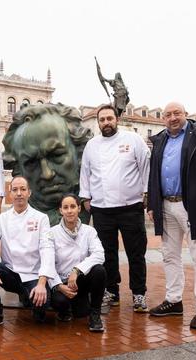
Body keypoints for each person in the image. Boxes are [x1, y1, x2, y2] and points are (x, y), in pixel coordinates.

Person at [147, 102, 196, 329]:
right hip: (166, 205)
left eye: (177, 113)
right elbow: (153, 175)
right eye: (168, 114)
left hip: (195, 205)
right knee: (169, 255)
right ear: (163, 118)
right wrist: (152, 204)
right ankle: (174, 301)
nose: (173, 118)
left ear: (185, 115)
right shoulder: (160, 140)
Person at [79, 104, 150, 314]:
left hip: (131, 207)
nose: (106, 123)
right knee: (107, 254)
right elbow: (85, 172)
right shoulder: (91, 145)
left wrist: (146, 193)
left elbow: (145, 165)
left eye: (109, 118)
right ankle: (112, 292)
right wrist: (85, 197)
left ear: (116, 119)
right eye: (102, 120)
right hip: (102, 209)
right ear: (98, 122)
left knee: (136, 253)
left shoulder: (133, 140)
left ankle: (139, 294)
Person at [0, 176, 57, 330]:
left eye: (23, 189)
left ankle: (29, 297)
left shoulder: (41, 218)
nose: (19, 193)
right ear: (10, 194)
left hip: (34, 276)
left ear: (29, 193)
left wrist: (42, 284)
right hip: (11, 275)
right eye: (15, 190)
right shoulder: (1, 219)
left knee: (42, 310)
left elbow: (47, 250)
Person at [3, 103, 93, 224]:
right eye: (31, 163)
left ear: (79, 152)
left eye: (56, 155)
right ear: (19, 168)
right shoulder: (9, 224)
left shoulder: (100, 216)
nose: (47, 174)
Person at [50, 194, 106, 332]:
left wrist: (76, 270)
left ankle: (95, 314)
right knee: (60, 302)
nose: (69, 211)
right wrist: (58, 286)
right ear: (60, 210)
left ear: (79, 209)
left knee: (99, 270)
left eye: (73, 207)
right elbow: (47, 263)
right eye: (66, 207)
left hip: (80, 280)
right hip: (62, 283)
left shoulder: (89, 231)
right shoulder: (52, 233)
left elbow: (99, 254)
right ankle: (65, 310)